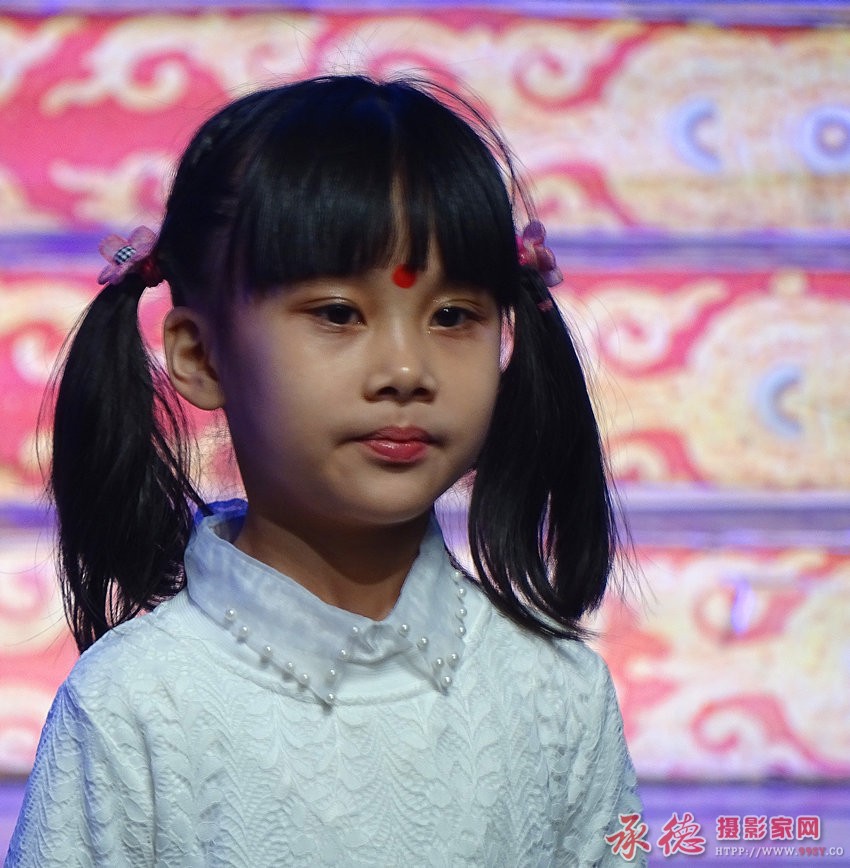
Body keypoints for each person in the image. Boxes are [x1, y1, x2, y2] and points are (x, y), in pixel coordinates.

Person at [6, 75, 643, 866]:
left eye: (453, 316)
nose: (406, 370)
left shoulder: (561, 694)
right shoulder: (132, 706)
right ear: (200, 356)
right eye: (339, 314)